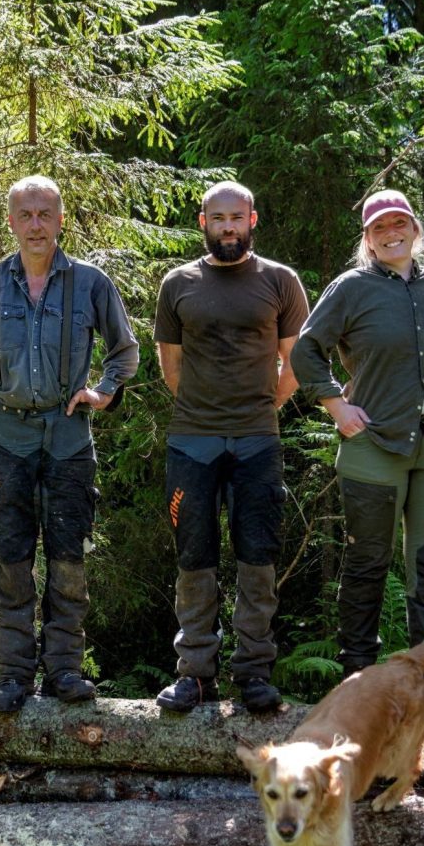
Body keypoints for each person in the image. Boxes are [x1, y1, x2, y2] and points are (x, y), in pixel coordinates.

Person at [0, 175, 138, 712]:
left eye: (46, 214)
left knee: (68, 558)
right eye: (26, 215)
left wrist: (102, 392)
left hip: (68, 440)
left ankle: (64, 670)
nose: (36, 224)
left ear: (61, 220)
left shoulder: (91, 283)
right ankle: (11, 674)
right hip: (5, 438)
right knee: (12, 558)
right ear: (11, 222)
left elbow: (125, 352)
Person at [291, 188, 424, 715]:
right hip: (373, 447)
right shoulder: (352, 288)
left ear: (415, 229)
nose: (392, 233)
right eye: (380, 227)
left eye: (400, 223)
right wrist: (337, 407)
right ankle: (358, 677)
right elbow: (305, 349)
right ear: (367, 237)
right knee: (366, 562)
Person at [153, 181, 309, 713]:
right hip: (191, 442)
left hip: (257, 441)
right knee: (194, 557)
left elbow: (297, 362)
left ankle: (253, 673)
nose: (227, 227)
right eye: (217, 218)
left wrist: (264, 408)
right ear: (202, 222)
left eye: (236, 218)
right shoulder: (178, 283)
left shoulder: (280, 281)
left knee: (257, 557)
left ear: (252, 220)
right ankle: (195, 673)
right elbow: (170, 367)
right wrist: (205, 412)